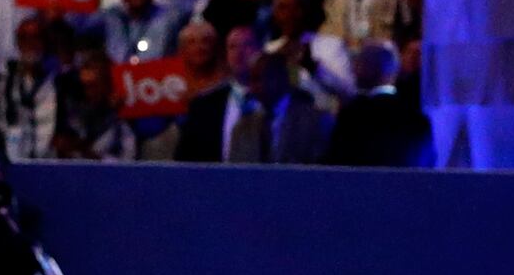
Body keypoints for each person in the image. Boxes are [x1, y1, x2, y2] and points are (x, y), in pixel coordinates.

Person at [173, 20, 333, 164]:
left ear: (261, 49)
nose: (239, 53)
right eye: (232, 47)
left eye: (247, 45)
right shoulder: (204, 106)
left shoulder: (302, 103)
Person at [322, 37, 430, 167]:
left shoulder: (354, 116)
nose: (355, 69)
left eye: (360, 63)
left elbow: (335, 164)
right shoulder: (417, 117)